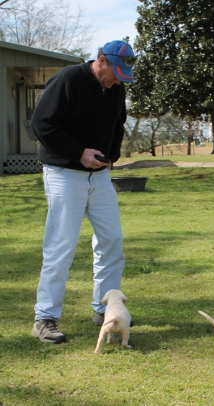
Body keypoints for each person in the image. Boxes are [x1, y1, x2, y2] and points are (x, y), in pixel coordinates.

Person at [31, 40, 135, 343]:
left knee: (112, 240)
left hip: (98, 175)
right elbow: (42, 124)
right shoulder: (68, 80)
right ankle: (45, 317)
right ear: (100, 61)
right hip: (64, 173)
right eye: (114, 72)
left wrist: (110, 156)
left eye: (122, 75)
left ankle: (105, 309)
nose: (117, 79)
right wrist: (78, 153)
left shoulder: (115, 87)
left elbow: (118, 124)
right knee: (61, 245)